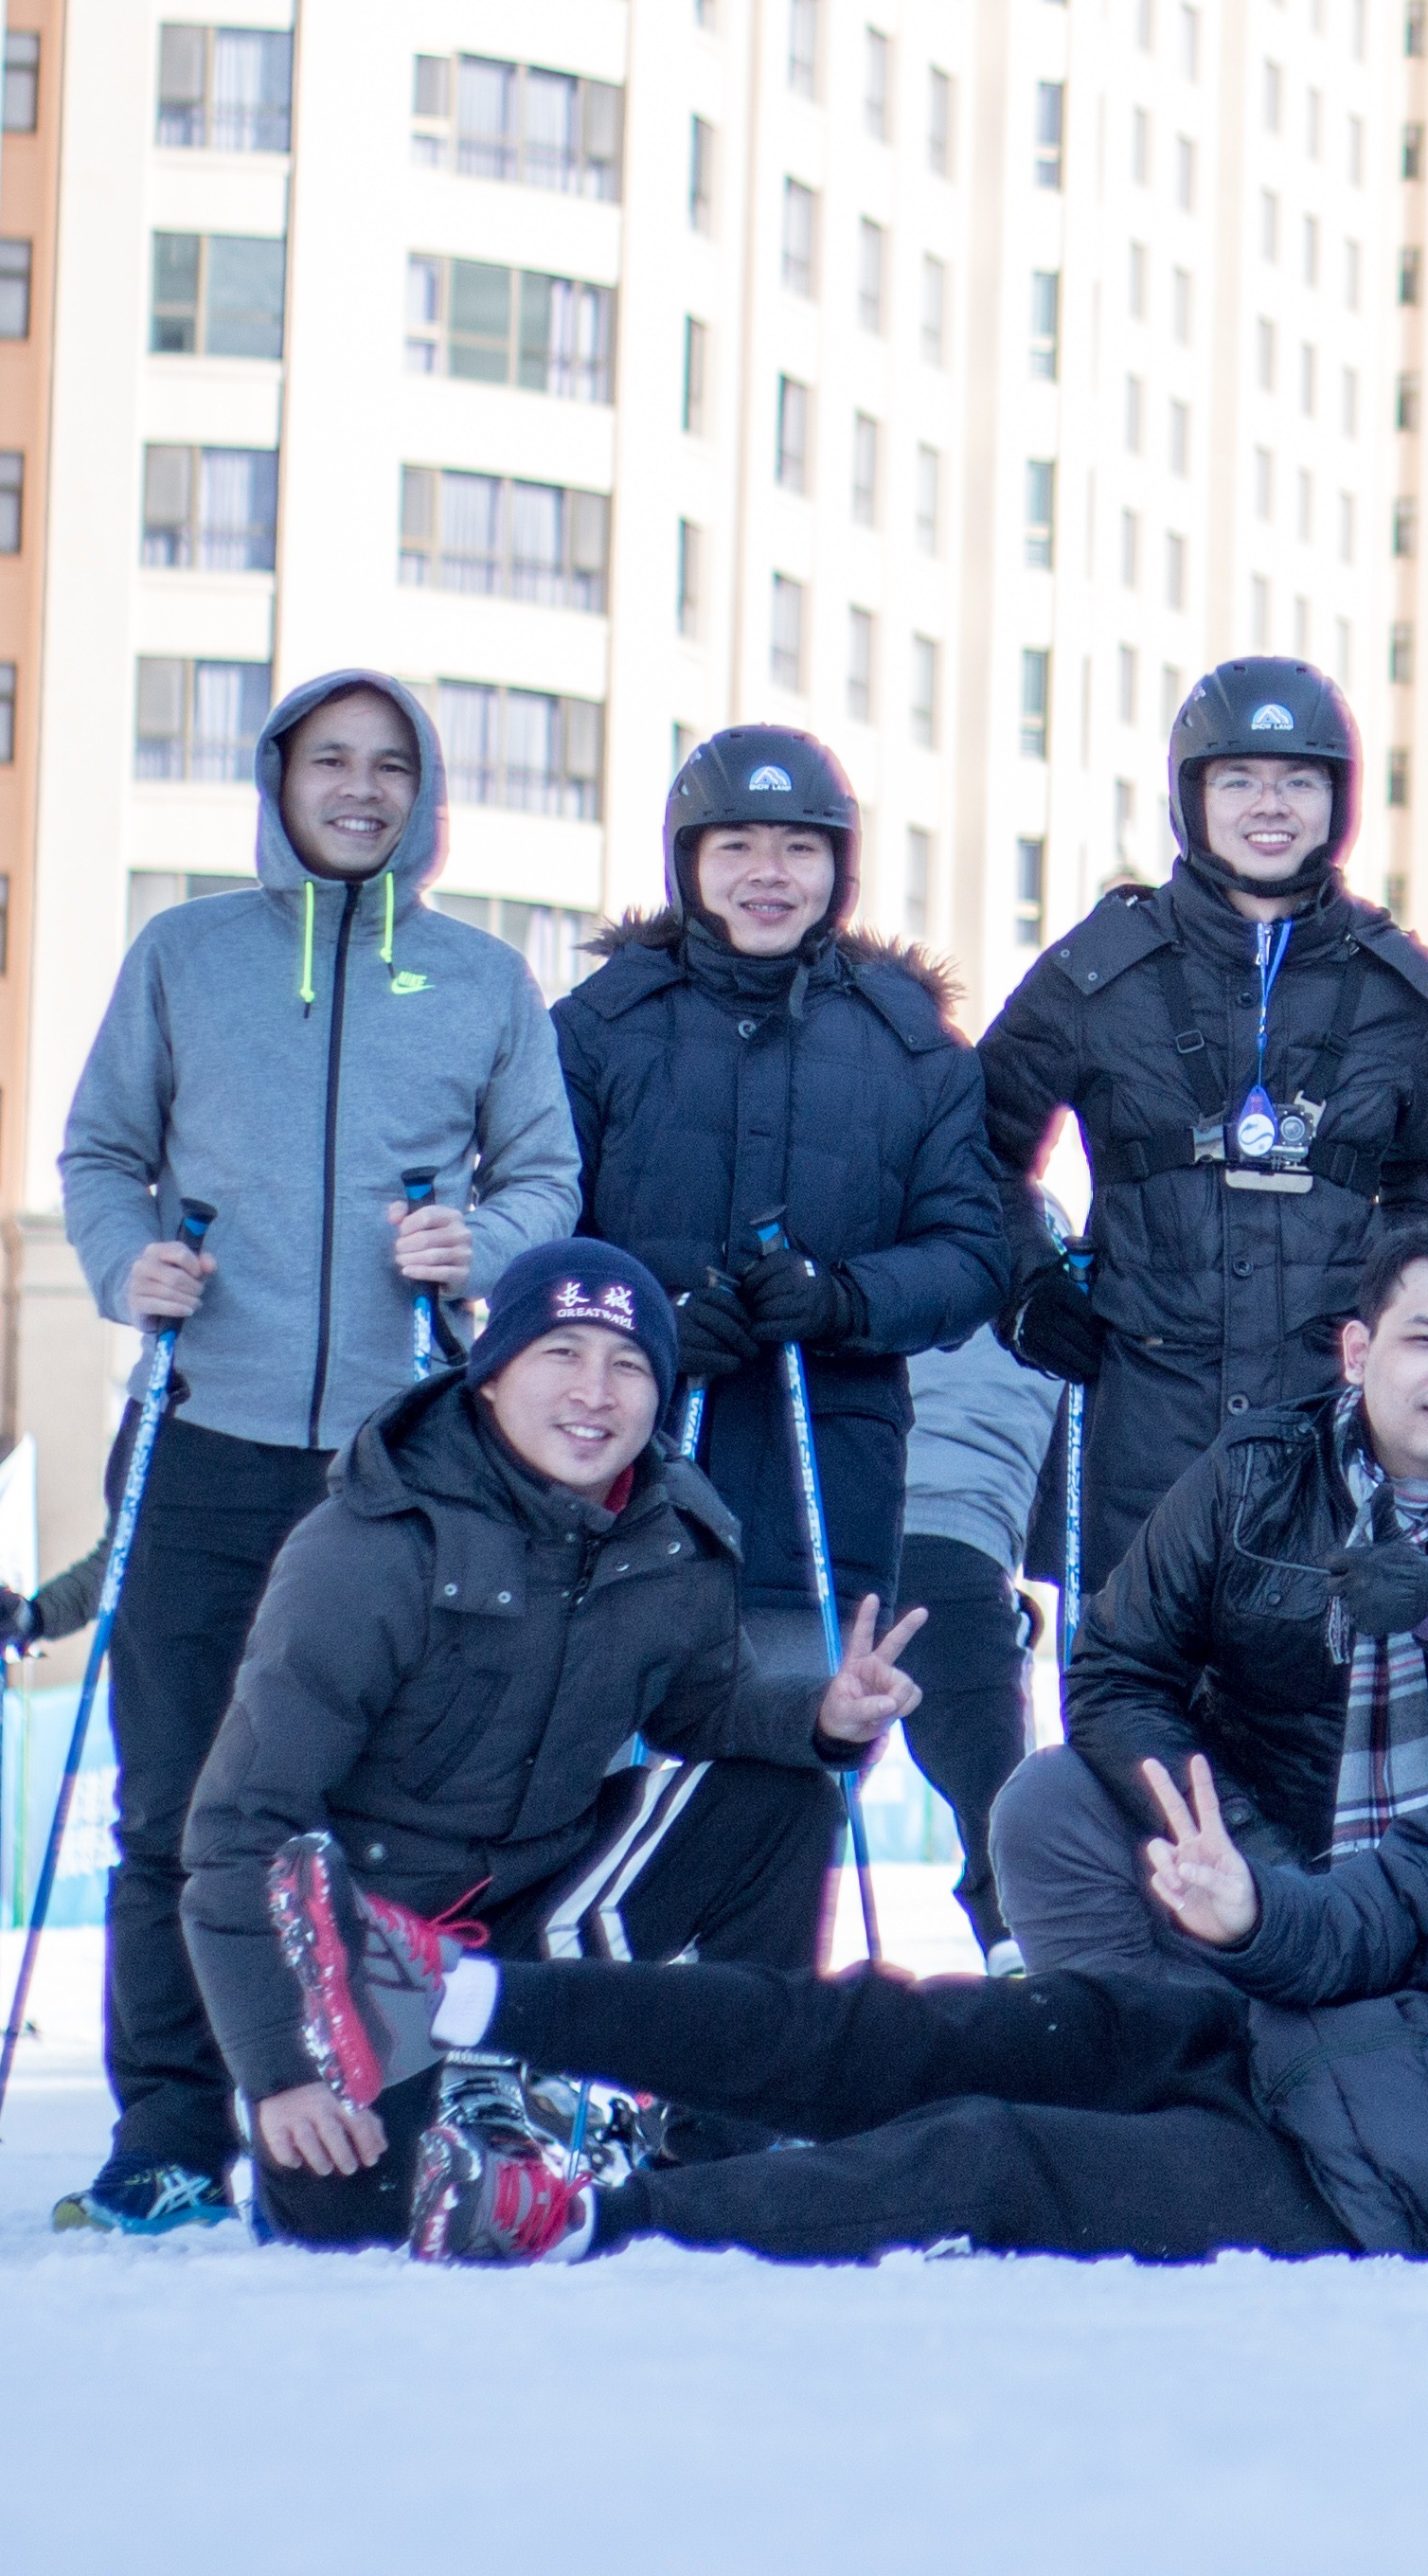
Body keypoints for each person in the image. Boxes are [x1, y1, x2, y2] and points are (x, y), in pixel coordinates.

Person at [332, 1592, 1428, 2265]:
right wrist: (1247, 1916)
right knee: (908, 2022)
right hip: (1272, 2036)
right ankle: (467, 1996)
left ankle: (585, 2218)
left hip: (1368, 2196)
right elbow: (1379, 1912)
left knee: (986, 2152)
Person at [49, 668, 585, 2233]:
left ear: (427, 794)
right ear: (279, 779)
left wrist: (479, 1241)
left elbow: (544, 1171)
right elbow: (102, 1152)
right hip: (200, 1436)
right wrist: (128, 1263)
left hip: (398, 1456)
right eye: (330, 759)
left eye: (390, 764)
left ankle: (362, 2109)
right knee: (176, 1804)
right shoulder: (185, 954)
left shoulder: (483, 978)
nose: (360, 788)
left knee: (376, 1806)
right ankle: (166, 2131)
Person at [178, 1241, 929, 2248]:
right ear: (492, 1376)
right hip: (378, 1942)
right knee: (352, 2221)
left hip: (544, 1907)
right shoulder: (370, 1543)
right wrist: (281, 2072)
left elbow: (704, 1708)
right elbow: (243, 1824)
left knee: (779, 1798)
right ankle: (471, 2077)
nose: (595, 1392)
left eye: (629, 1364)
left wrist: (822, 1718)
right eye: (561, 1353)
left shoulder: (675, 1529)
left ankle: (719, 2141)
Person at [547, 726, 1013, 1937]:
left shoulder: (910, 1044)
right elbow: (541, 1230)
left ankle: (753, 2045)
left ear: (839, 869)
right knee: (602, 1789)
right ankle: (590, 2017)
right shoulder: (601, 1026)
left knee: (784, 1789)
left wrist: (845, 1298)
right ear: (688, 862)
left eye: (799, 848)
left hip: (816, 1490)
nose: (769, 874)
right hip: (624, 1480)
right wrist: (646, 1315)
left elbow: (972, 1252)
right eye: (737, 847)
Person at [991, 1221, 1428, 1981]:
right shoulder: (1254, 1471)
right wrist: (1241, 1846)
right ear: (1358, 1353)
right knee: (1049, 1797)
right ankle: (1145, 2022)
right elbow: (1116, 1673)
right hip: (1256, 1851)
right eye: (1426, 1340)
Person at [983, 659, 1428, 1576]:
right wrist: (1027, 1285)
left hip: (1329, 1427)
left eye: (1300, 781)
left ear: (1340, 800)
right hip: (1140, 1419)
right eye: (1238, 779)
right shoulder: (1098, 973)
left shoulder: (1399, 994)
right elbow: (974, 1148)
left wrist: (1393, 1320)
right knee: (1131, 1665)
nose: (1270, 806)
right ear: (1192, 797)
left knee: (1317, 1663)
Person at [895, 1318, 1066, 1959]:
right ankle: (1020, 1951)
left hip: (842, 1533)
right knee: (999, 1807)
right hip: (955, 1535)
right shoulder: (1061, 1297)